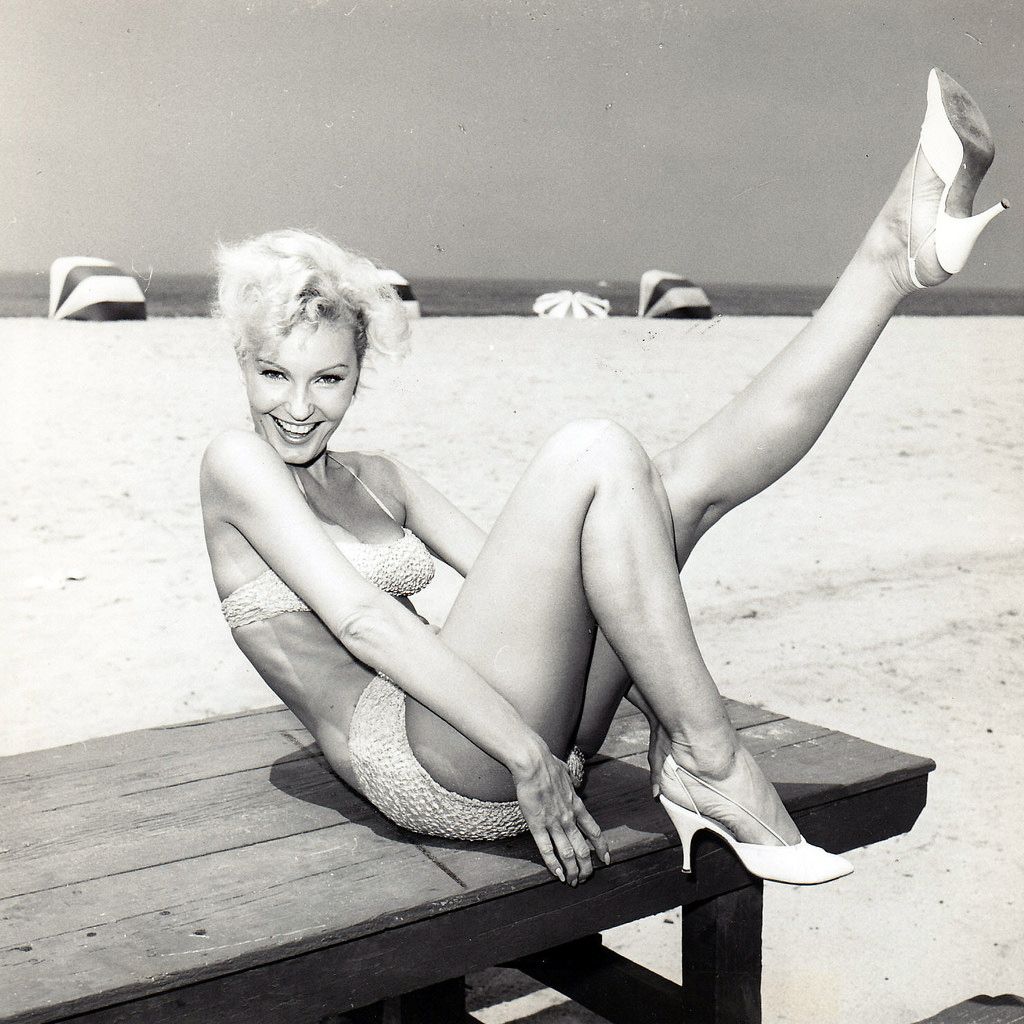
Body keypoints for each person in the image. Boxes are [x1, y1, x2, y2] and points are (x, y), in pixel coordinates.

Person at [201, 69, 1006, 888]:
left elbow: (559, 587)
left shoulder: (380, 479)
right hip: (438, 764)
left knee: (672, 490)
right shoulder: (236, 466)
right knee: (593, 453)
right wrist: (528, 759)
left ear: (359, 372)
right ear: (243, 360)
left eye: (327, 379)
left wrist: (652, 701)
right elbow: (364, 621)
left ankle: (889, 263)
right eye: (274, 375)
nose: (297, 407)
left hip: (522, 734)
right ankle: (711, 759)